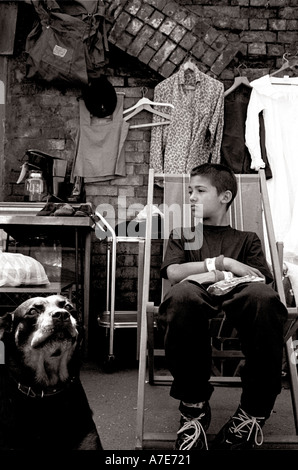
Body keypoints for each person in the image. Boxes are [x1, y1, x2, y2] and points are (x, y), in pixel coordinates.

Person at [158, 163, 288, 450]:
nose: (191, 197)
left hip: (241, 299)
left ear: (225, 197)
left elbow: (259, 278)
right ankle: (194, 407)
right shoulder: (183, 235)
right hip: (193, 299)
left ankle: (253, 411)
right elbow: (174, 273)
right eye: (190, 191)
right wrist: (223, 264)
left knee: (264, 299)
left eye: (200, 190)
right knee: (180, 297)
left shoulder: (247, 239)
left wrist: (211, 275)